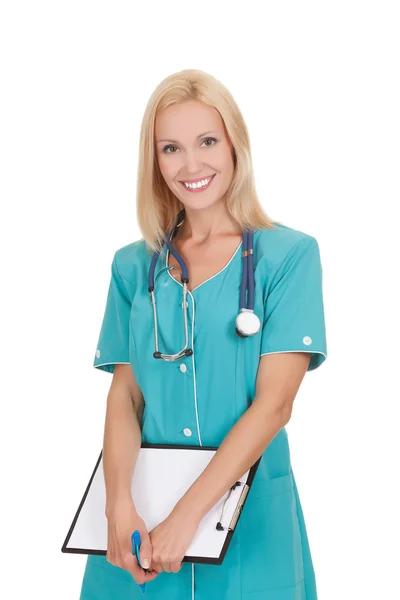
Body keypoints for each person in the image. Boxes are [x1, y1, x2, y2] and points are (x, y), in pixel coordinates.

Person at [79, 68, 327, 600]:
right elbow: (125, 393)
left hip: (247, 519)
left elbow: (274, 405)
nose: (191, 165)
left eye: (207, 141)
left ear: (235, 144)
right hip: (142, 523)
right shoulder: (133, 267)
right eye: (171, 148)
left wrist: (188, 515)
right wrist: (117, 503)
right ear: (155, 160)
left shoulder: (287, 258)